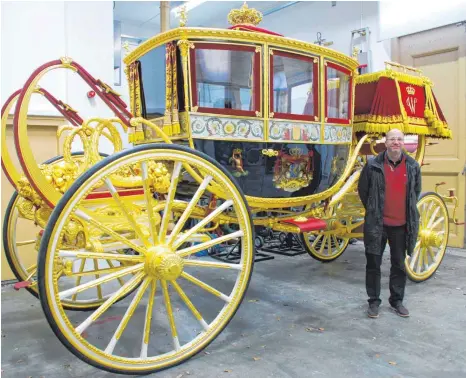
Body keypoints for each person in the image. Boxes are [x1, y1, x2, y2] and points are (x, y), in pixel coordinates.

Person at [357, 129, 421, 318]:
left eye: (399, 139)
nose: (395, 142)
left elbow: (415, 193)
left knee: (399, 265)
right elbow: (364, 192)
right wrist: (375, 209)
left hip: (401, 226)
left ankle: (397, 301)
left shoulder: (413, 166)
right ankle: (374, 302)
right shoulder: (372, 166)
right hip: (378, 224)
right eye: (392, 139)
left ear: (403, 143)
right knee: (373, 264)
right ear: (385, 143)